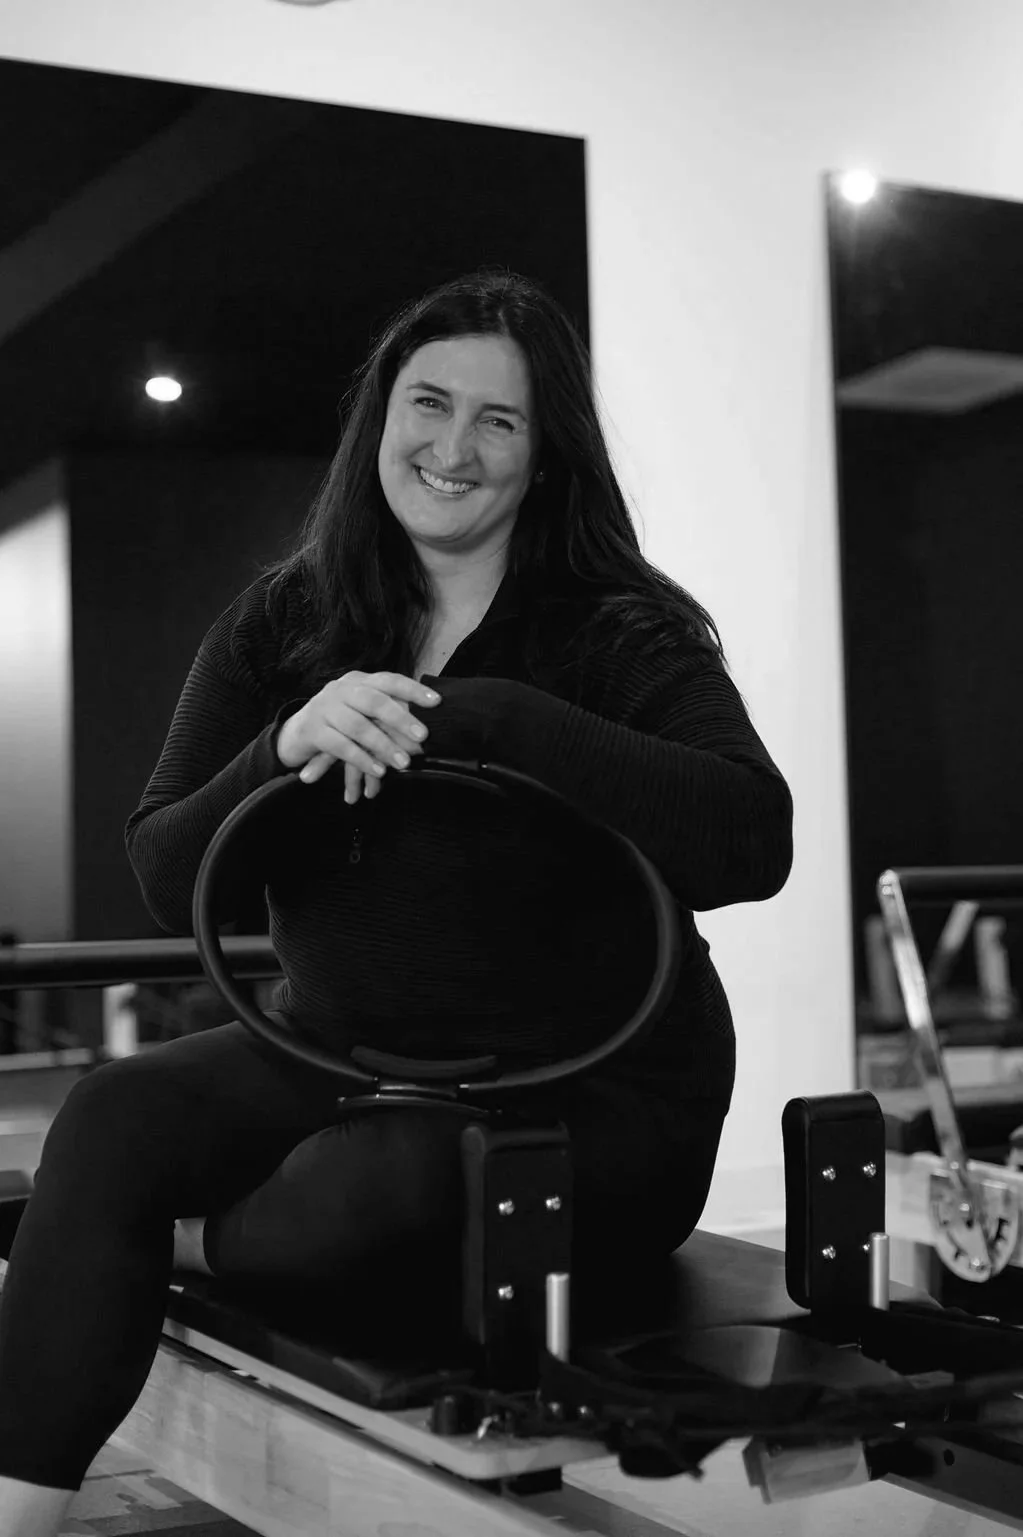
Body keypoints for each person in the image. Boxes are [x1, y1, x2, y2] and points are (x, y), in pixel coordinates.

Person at [0, 268, 793, 1532]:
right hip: (345, 1050)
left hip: (595, 1096)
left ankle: (193, 1236)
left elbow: (753, 839)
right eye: (429, 404)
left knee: (402, 1188)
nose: (454, 447)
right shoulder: (285, 619)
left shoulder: (619, 631)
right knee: (105, 1119)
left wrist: (505, 722)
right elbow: (164, 871)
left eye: (500, 421)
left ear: (546, 457)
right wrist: (282, 752)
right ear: (381, 418)